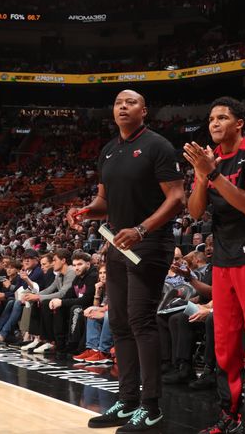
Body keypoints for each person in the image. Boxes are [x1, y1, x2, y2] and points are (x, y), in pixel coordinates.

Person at [68, 89, 185, 432]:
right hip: (117, 244)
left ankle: (151, 407)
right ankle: (128, 399)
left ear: (144, 111)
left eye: (131, 102)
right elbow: (104, 201)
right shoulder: (108, 150)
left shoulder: (158, 146)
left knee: (140, 320)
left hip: (149, 243)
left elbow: (177, 198)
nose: (123, 107)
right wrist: (87, 211)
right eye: (118, 102)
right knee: (118, 320)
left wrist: (142, 229)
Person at [183, 96, 245, 434]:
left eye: (222, 117)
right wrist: (200, 174)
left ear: (239, 123)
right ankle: (229, 413)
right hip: (222, 259)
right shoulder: (209, 161)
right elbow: (195, 212)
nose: (215, 124)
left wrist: (215, 174)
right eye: (211, 119)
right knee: (224, 343)